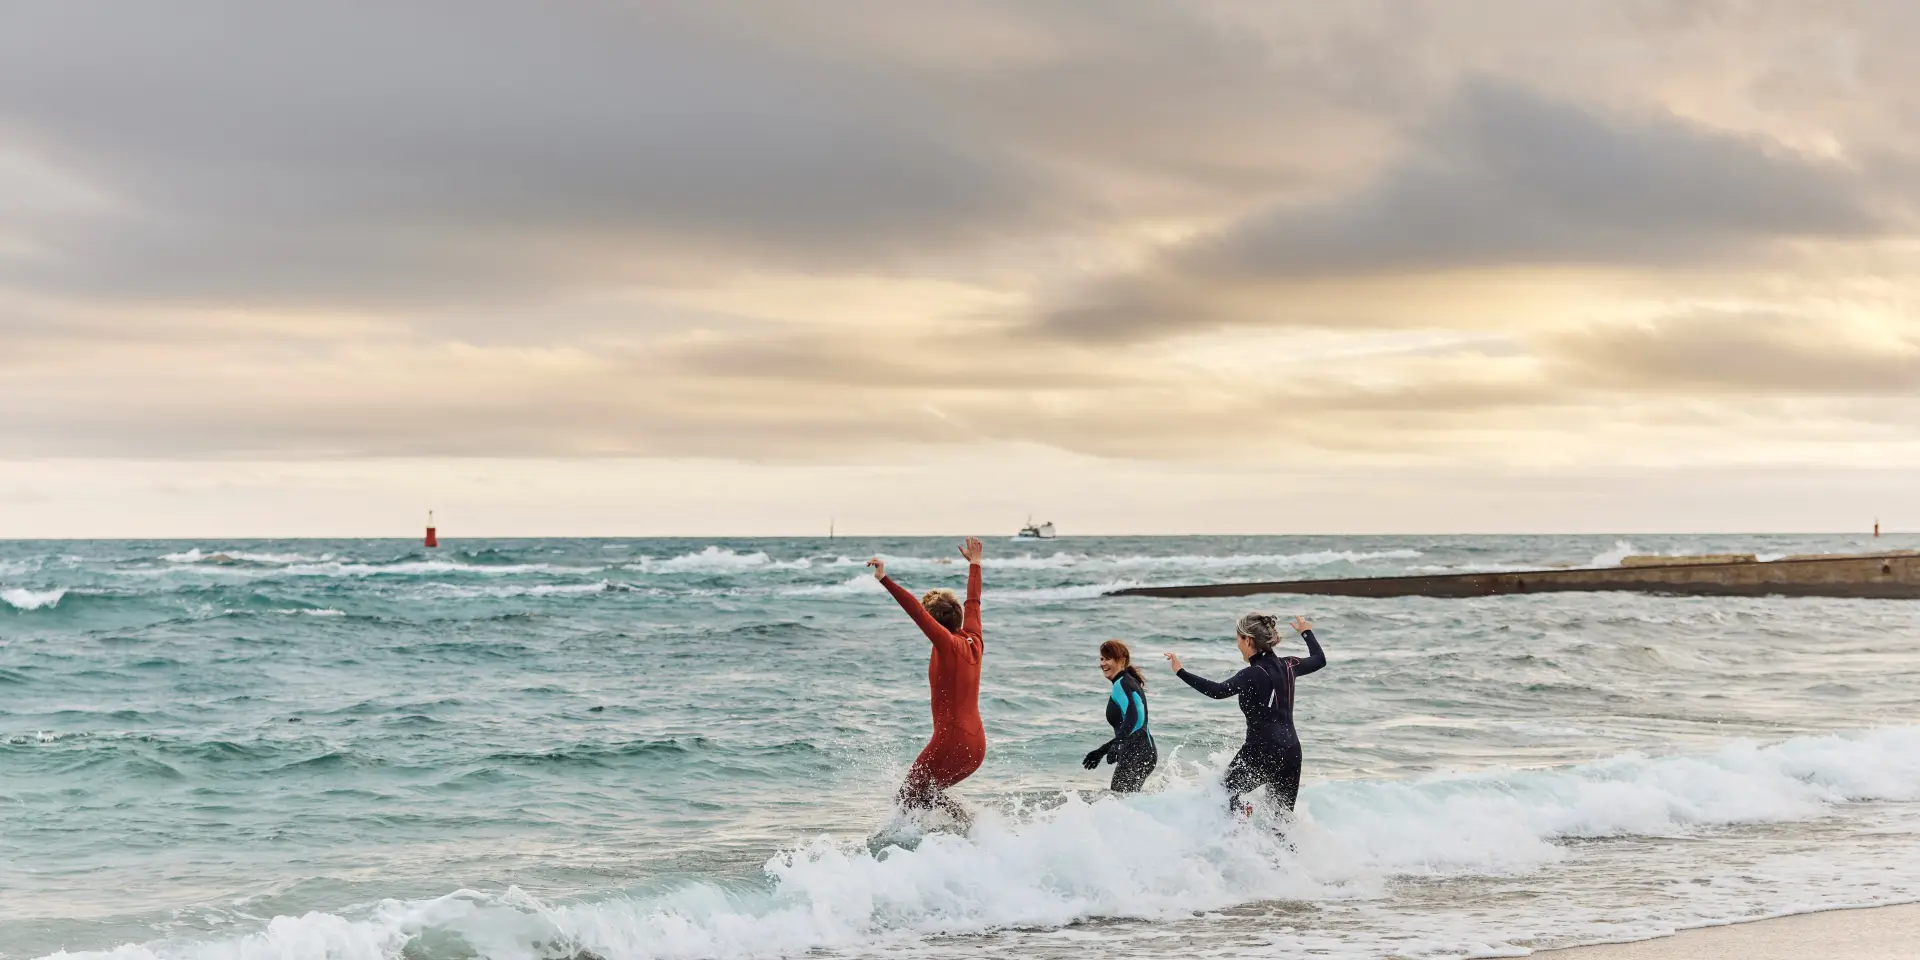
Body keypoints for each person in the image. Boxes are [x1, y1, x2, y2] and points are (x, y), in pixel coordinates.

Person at [867, 537, 985, 821]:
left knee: (905, 801)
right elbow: (973, 601)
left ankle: (900, 853)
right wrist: (976, 564)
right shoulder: (975, 639)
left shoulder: (946, 644)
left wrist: (885, 579)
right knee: (926, 794)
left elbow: (917, 612)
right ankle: (974, 830)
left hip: (951, 740)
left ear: (936, 624)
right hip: (976, 746)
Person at [1164, 614, 1326, 815]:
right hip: (1291, 752)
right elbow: (1319, 660)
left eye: (1238, 639)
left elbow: (1218, 691)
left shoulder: (1252, 673)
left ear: (1248, 640)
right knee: (1281, 823)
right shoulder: (1289, 665)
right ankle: (1259, 840)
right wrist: (1306, 632)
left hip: (1262, 751)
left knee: (1223, 794)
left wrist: (1180, 671)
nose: (1237, 644)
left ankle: (1239, 838)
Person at [1082, 640, 1157, 792]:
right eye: (1102, 658)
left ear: (1122, 660)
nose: (1103, 663)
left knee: (1118, 802)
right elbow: (1135, 720)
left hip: (1136, 752)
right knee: (1127, 803)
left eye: (1108, 658)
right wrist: (1117, 745)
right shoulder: (1129, 681)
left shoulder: (1121, 684)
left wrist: (1107, 748)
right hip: (1144, 752)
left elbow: (1135, 718)